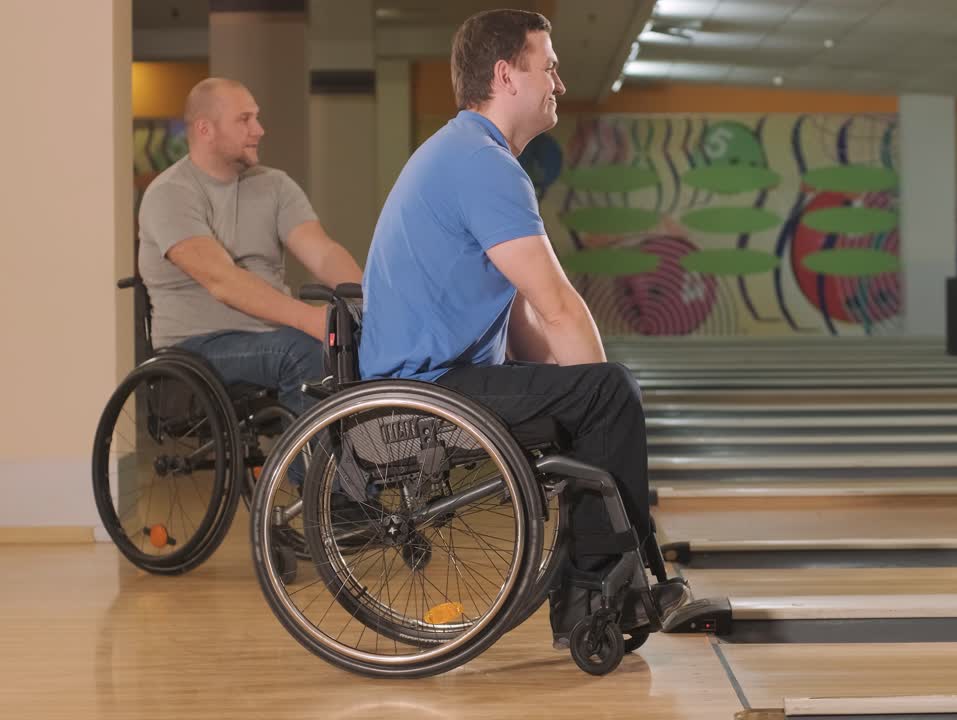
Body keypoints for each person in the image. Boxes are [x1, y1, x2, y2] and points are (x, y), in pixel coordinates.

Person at [358, 9, 689, 645]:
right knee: (608, 392)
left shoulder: (465, 152)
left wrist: (584, 391)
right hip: (423, 396)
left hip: (431, 380)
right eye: (551, 68)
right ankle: (601, 595)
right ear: (507, 75)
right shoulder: (482, 164)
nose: (559, 84)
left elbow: (518, 312)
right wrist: (601, 389)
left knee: (595, 396)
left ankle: (599, 591)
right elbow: (558, 305)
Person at [137, 77, 363, 418]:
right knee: (304, 350)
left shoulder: (274, 185)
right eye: (244, 120)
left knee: (354, 343)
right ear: (205, 129)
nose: (258, 129)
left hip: (272, 337)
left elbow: (323, 253)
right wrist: (309, 320)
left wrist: (369, 301)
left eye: (256, 117)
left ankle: (362, 462)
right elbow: (222, 280)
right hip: (198, 346)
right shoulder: (170, 193)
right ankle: (313, 473)